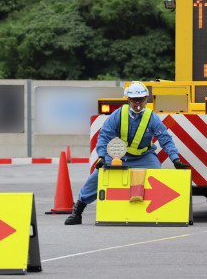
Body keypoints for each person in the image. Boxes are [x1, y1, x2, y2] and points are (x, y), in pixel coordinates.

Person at [65, 81, 189, 225]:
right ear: (128, 100)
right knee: (98, 176)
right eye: (134, 100)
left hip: (144, 156)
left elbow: (165, 139)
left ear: (146, 100)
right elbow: (104, 136)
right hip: (119, 156)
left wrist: (175, 159)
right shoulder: (117, 115)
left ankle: (155, 212)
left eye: (141, 99)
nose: (137, 103)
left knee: (156, 175)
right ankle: (78, 211)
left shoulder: (152, 117)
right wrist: (102, 157)